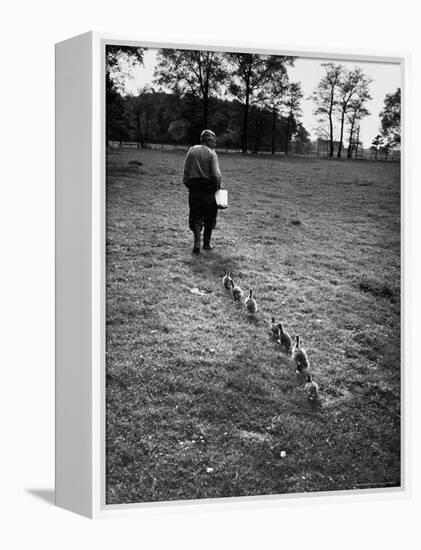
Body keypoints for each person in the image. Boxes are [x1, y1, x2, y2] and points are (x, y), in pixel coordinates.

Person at [183, 129, 222, 254]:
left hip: (194, 189)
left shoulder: (191, 150)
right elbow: (215, 175)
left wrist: (191, 187)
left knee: (195, 217)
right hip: (208, 189)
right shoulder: (212, 154)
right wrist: (216, 188)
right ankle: (206, 244)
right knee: (210, 217)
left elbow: (186, 174)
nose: (215, 143)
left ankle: (196, 243)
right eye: (214, 140)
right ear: (208, 140)